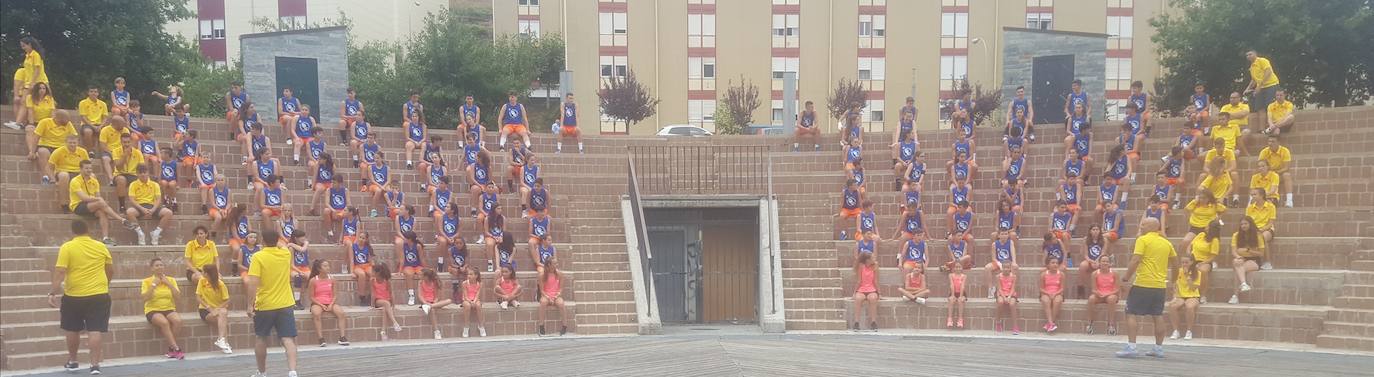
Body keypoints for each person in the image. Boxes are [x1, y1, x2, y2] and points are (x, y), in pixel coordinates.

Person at [49, 220, 112, 374]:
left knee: (71, 329)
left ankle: (73, 361)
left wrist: (53, 292)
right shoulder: (100, 246)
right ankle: (95, 365)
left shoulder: (67, 247)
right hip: (99, 294)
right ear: (87, 230)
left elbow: (60, 272)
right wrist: (105, 284)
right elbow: (110, 270)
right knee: (95, 329)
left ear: (73, 231)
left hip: (73, 295)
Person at [1115, 217, 1177, 358]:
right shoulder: (1166, 243)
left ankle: (1132, 347)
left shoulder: (1142, 240)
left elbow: (1135, 260)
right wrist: (1173, 281)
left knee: (1130, 312)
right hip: (1159, 286)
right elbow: (1176, 263)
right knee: (1157, 315)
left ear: (1152, 227)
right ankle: (1158, 348)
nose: (1140, 226)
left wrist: (1125, 278)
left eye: (1143, 224)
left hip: (1143, 283)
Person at [244, 230, 300, 377]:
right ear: (277, 240)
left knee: (261, 337)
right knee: (288, 338)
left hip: (265, 304)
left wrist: (250, 305)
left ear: (262, 241)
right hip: (286, 303)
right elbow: (283, 245)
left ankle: (262, 372)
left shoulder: (258, 256)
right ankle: (292, 371)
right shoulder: (285, 254)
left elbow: (253, 283)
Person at [70, 160, 136, 244]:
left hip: (92, 205)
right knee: (100, 202)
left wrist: (99, 200)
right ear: (80, 169)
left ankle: (105, 238)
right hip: (78, 206)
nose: (89, 170)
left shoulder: (94, 181)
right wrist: (99, 200)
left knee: (102, 211)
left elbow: (98, 196)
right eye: (86, 168)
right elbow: (84, 198)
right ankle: (122, 220)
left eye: (90, 168)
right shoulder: (75, 181)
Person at [141, 258, 185, 360]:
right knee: (164, 323)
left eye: (161, 265)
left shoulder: (171, 280)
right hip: (152, 309)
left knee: (178, 321)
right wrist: (154, 284)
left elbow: (178, 296)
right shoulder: (146, 281)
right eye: (157, 265)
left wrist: (168, 284)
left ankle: (171, 349)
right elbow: (145, 298)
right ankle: (177, 349)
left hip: (169, 308)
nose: (159, 267)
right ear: (152, 268)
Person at [306, 259, 351, 347]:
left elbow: (335, 295)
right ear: (319, 269)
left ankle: (342, 337)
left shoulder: (332, 279)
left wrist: (331, 304)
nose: (328, 268)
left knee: (341, 313)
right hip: (318, 303)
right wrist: (321, 305)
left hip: (330, 302)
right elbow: (311, 297)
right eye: (325, 266)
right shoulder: (313, 280)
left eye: (328, 266)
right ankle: (321, 338)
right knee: (316, 314)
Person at [124, 164, 172, 245]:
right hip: (139, 206)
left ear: (148, 173)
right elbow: (132, 199)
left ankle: (156, 233)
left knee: (168, 213)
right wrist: (142, 209)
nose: (143, 174)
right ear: (137, 174)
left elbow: (158, 199)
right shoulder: (133, 184)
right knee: (129, 212)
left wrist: (153, 209)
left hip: (152, 205)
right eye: (140, 173)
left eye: (144, 172)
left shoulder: (155, 184)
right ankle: (140, 233)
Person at [27, 109, 76, 184]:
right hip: (46, 145)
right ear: (57, 118)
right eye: (64, 120)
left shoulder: (68, 124)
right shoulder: (45, 122)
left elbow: (74, 136)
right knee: (42, 152)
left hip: (61, 147)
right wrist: (32, 152)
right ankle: (45, 177)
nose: (67, 122)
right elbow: (36, 137)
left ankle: (58, 178)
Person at [195, 264, 234, 354]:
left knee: (223, 313)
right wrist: (209, 308)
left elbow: (227, 300)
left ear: (208, 274)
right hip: (205, 310)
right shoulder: (202, 281)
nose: (202, 273)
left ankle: (222, 340)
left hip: (218, 310)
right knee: (223, 317)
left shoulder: (220, 284)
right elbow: (198, 297)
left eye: (203, 272)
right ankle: (224, 342)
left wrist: (217, 309)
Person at [1229, 216, 1265, 305]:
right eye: (1241, 224)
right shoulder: (1236, 235)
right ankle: (1244, 284)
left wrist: (1248, 251)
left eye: (1245, 224)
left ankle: (1235, 296)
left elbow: (1261, 254)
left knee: (1238, 270)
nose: (1243, 226)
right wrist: (1238, 256)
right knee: (1236, 262)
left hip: (1254, 260)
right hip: (1241, 258)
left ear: (1250, 224)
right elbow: (1234, 251)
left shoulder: (1258, 235)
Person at [412, 268, 455, 339]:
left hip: (434, 303)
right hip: (425, 302)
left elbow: (437, 296)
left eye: (421, 275)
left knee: (449, 301)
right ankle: (436, 331)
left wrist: (434, 302)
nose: (419, 276)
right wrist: (425, 302)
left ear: (426, 276)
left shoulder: (434, 282)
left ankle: (430, 306)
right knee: (432, 310)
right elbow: (420, 295)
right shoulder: (420, 282)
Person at [1187, 220, 1222, 304]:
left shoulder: (1214, 240)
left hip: (1205, 260)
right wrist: (1188, 253)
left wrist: (1202, 263)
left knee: (1202, 271)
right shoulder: (1200, 234)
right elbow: (1190, 245)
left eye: (1208, 226)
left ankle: (1202, 295)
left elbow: (1213, 256)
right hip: (1193, 258)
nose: (1205, 227)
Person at [1168, 255, 1202, 340]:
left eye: (1186, 262)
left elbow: (1193, 288)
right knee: (1172, 306)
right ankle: (1176, 331)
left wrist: (1188, 276)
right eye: (1182, 262)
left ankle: (1189, 331)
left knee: (1189, 307)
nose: (1184, 264)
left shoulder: (1197, 272)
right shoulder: (1178, 271)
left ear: (1191, 262)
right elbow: (1175, 286)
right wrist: (1174, 297)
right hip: (1180, 296)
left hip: (1193, 296)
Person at [1244, 50, 1281, 128]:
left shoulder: (1262, 60)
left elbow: (1268, 72)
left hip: (1271, 85)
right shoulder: (1251, 67)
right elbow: (1254, 80)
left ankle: (1271, 125)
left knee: (1270, 106)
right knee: (1260, 108)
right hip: (1260, 88)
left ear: (1255, 54)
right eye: (1247, 55)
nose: (1248, 56)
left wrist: (1259, 86)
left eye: (1250, 54)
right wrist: (1247, 89)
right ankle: (1261, 129)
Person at [1257, 135, 1295, 207]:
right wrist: (1270, 173)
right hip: (1268, 174)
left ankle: (1289, 200)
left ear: (1278, 142)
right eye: (1269, 141)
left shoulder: (1285, 151)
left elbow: (1286, 168)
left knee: (1287, 175)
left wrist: (1276, 173)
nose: (1270, 144)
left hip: (1280, 173)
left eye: (1273, 142)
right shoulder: (1264, 152)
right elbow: (1260, 166)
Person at [371, 262, 405, 340]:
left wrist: (394, 305)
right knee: (386, 304)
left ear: (378, 273)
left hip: (387, 300)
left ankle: (383, 332)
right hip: (378, 301)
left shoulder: (387, 281)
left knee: (384, 310)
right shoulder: (372, 280)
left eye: (373, 271)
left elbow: (391, 292)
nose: (371, 273)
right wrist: (372, 306)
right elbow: (373, 293)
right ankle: (394, 322)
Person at [1246, 188, 1278, 270]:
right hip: (1253, 229)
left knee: (1262, 236)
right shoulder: (1249, 208)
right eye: (1252, 195)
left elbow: (1271, 223)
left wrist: (1262, 229)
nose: (1252, 196)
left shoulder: (1271, 206)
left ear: (1262, 195)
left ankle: (1267, 262)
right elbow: (1248, 221)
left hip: (1267, 229)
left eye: (1254, 194)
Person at [1086, 255, 1119, 335]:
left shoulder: (1115, 273)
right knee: (1091, 299)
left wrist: (1107, 294)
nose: (1105, 263)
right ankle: (1089, 324)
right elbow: (1093, 289)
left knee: (1111, 299)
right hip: (1099, 294)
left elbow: (1117, 289)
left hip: (1111, 294)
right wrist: (1098, 293)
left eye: (1107, 261)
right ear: (1099, 263)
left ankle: (1111, 325)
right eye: (1103, 261)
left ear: (1109, 263)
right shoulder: (1094, 274)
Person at [984, 229, 1018, 299]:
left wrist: (1014, 262)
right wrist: (999, 264)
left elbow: (1013, 253)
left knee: (1015, 267)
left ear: (1008, 235)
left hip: (1008, 262)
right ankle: (991, 289)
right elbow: (993, 258)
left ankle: (1011, 289)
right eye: (1002, 234)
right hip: (998, 262)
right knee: (987, 267)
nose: (1004, 236)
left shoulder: (1010, 242)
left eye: (1006, 234)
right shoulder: (994, 244)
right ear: (999, 235)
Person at [395, 230, 425, 306]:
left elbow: (422, 259)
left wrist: (426, 268)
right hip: (408, 266)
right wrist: (400, 271)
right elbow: (402, 259)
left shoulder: (418, 246)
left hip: (417, 265)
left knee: (423, 274)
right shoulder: (403, 246)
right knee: (409, 274)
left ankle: (424, 295)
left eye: (405, 238)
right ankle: (411, 295)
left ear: (410, 239)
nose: (404, 239)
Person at [852, 252, 879, 331]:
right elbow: (859, 281)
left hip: (872, 289)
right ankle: (856, 322)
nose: (874, 259)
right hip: (862, 289)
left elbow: (876, 281)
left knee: (873, 298)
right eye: (872, 258)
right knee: (858, 299)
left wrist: (879, 293)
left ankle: (873, 322)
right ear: (867, 260)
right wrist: (854, 293)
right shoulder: (861, 266)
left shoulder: (875, 266)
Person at [460, 267, 488, 337]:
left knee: (478, 305)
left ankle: (481, 326)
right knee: (467, 306)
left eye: (471, 274)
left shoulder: (480, 284)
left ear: (476, 276)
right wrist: (470, 301)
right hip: (466, 299)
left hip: (475, 299)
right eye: (468, 274)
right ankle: (466, 327)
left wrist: (474, 301)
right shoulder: (464, 283)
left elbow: (477, 295)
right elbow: (465, 296)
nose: (468, 276)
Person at [349, 232, 375, 305]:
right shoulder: (353, 246)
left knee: (372, 274)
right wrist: (351, 272)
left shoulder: (368, 247)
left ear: (366, 240)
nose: (361, 239)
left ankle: (372, 295)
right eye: (360, 237)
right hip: (357, 266)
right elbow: (351, 260)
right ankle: (362, 296)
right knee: (362, 274)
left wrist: (374, 269)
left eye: (363, 238)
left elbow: (371, 261)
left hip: (367, 265)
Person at [1040, 257, 1065, 333]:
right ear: (1048, 265)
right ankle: (1051, 324)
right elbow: (1041, 288)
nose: (1055, 265)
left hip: (1057, 293)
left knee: (1057, 301)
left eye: (1057, 263)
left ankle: (1050, 323)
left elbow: (1062, 288)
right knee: (1045, 300)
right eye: (1053, 263)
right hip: (1046, 292)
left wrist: (1055, 294)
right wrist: (1048, 294)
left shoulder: (1061, 274)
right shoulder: (1043, 274)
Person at [286, 229, 310, 309]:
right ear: (296, 238)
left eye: (304, 236)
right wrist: (299, 271)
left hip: (305, 268)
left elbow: (302, 250)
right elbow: (291, 264)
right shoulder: (291, 249)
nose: (303, 238)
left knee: (312, 277)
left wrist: (291, 244)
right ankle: (297, 301)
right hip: (294, 268)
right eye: (301, 237)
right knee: (298, 277)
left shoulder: (305, 243)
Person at [994, 267, 1020, 335]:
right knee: (1000, 302)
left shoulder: (1014, 276)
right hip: (1001, 293)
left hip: (1011, 293)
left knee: (1012, 304)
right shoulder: (998, 276)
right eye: (1004, 267)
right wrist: (1004, 297)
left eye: (1008, 267)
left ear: (1010, 268)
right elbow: (999, 289)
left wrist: (1009, 297)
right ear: (1002, 268)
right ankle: (998, 322)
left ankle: (1015, 326)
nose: (1006, 269)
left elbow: (1013, 288)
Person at [402, 103, 428, 169]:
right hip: (413, 141)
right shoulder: (408, 125)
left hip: (421, 141)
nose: (414, 118)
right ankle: (409, 163)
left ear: (419, 117)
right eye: (413, 116)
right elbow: (407, 137)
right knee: (408, 145)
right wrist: (415, 142)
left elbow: (425, 137)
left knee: (424, 145)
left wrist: (420, 142)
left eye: (416, 116)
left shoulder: (423, 125)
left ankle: (421, 160)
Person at [946, 261, 967, 329]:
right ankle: (950, 319)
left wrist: (960, 296)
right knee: (951, 301)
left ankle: (960, 320)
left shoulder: (964, 276)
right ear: (954, 268)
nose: (958, 268)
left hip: (961, 293)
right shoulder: (951, 275)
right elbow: (951, 285)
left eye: (959, 267)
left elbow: (962, 286)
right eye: (956, 267)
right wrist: (952, 295)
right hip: (953, 292)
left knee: (960, 301)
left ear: (962, 268)